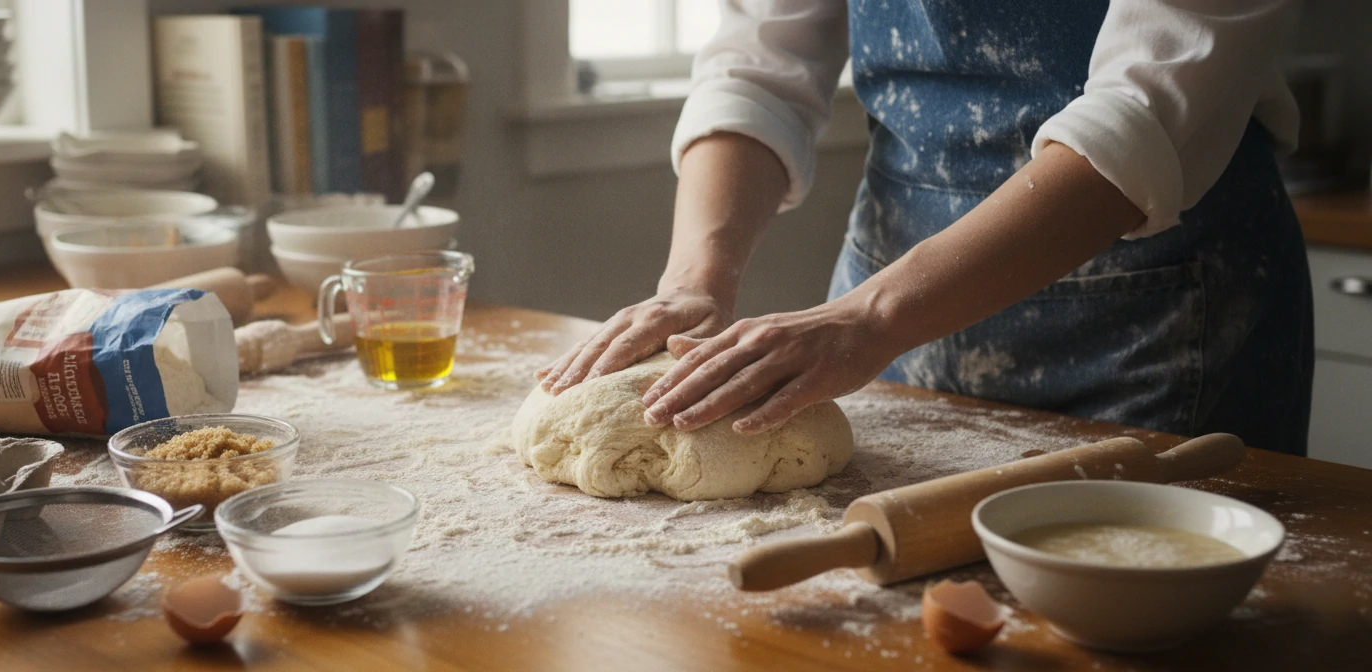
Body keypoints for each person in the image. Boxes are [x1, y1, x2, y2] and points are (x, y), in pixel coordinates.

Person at [538, 0, 1312, 455]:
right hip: (885, 284)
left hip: (1156, 316)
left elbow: (1139, 120)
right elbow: (758, 62)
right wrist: (694, 282)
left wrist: (869, 317)